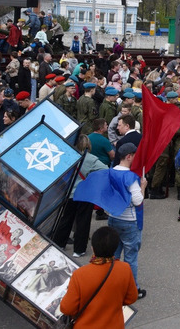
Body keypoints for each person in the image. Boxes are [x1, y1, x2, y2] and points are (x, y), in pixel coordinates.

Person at [60, 226, 138, 328]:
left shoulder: (80, 274)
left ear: (93, 248)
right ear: (115, 248)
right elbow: (131, 298)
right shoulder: (125, 268)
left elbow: (67, 308)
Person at [52, 135, 107, 257]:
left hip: (69, 193)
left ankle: (59, 243)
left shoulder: (66, 158)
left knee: (66, 219)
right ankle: (79, 249)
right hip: (85, 194)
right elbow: (105, 169)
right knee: (83, 221)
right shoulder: (90, 159)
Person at [108, 143, 147, 300]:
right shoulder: (130, 177)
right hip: (130, 221)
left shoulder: (111, 172)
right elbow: (138, 201)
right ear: (129, 156)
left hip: (114, 218)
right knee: (130, 258)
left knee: (113, 255)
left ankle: (112, 285)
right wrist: (143, 186)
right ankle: (132, 289)